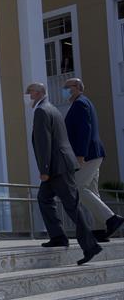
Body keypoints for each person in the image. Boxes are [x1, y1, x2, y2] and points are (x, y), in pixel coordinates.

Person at [26, 83, 102, 265]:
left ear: (38, 93)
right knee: (44, 198)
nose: (28, 97)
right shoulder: (52, 109)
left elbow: (44, 143)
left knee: (72, 206)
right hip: (59, 165)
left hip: (56, 167)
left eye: (30, 93)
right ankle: (58, 236)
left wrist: (44, 170)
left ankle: (90, 246)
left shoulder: (42, 111)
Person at [63, 78, 124, 242]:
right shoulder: (84, 102)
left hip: (88, 154)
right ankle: (101, 229)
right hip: (94, 153)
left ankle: (111, 218)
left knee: (77, 188)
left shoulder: (80, 104)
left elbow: (85, 130)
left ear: (76, 88)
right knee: (92, 190)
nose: (64, 90)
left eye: (66, 87)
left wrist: (80, 155)